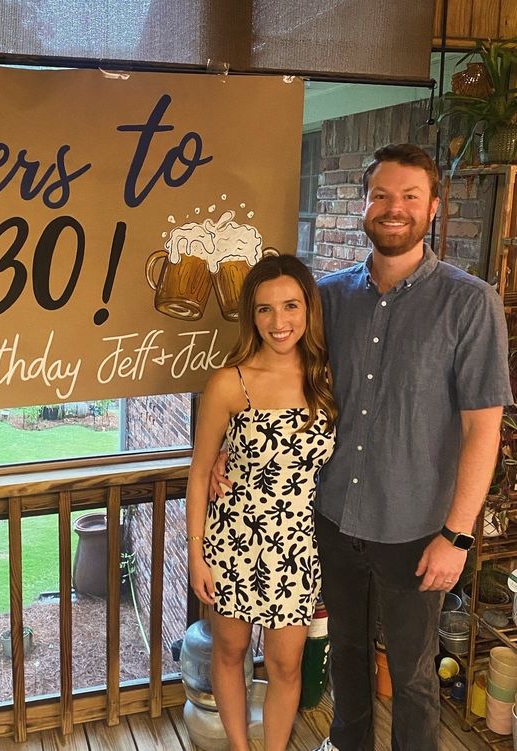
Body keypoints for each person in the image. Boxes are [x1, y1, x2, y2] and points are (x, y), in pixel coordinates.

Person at [212, 143, 513, 751]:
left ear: (434, 206)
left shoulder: (469, 303)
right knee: (346, 657)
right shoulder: (328, 298)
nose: (393, 208)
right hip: (331, 519)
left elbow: (485, 428)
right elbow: (281, 387)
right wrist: (230, 445)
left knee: (412, 676)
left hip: (416, 532)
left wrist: (457, 535)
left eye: (408, 196)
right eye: (381, 195)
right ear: (365, 206)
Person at [186, 254, 337, 751]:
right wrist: (195, 554)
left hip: (297, 543)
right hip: (232, 539)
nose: (279, 322)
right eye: (265, 309)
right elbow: (201, 471)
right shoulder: (229, 382)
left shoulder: (328, 380)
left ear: (308, 309)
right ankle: (239, 745)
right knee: (230, 653)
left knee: (287, 663)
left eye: (290, 306)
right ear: (251, 315)